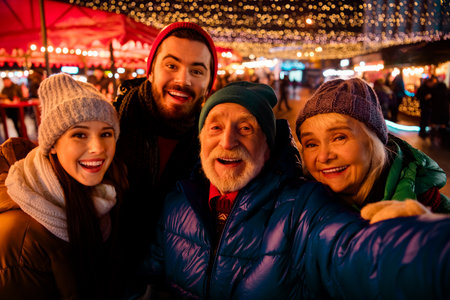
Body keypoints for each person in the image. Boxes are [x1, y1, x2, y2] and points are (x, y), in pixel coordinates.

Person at [142, 81, 449, 299]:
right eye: (215, 127)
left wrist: (425, 241)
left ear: (267, 146)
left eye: (246, 128)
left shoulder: (302, 206)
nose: (227, 142)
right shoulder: (177, 202)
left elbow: (357, 251)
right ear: (201, 140)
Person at [112, 21, 218, 295]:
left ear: (209, 84)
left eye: (197, 70)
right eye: (171, 65)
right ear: (150, 71)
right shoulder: (108, 126)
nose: (183, 80)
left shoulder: (215, 145)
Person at [0, 73, 127, 299]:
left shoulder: (102, 198)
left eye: (106, 134)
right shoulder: (20, 238)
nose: (98, 148)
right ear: (53, 145)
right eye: (80, 134)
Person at [295, 78, 449, 219]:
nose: (323, 157)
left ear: (373, 141)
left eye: (339, 137)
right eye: (311, 144)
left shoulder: (428, 207)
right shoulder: (297, 205)